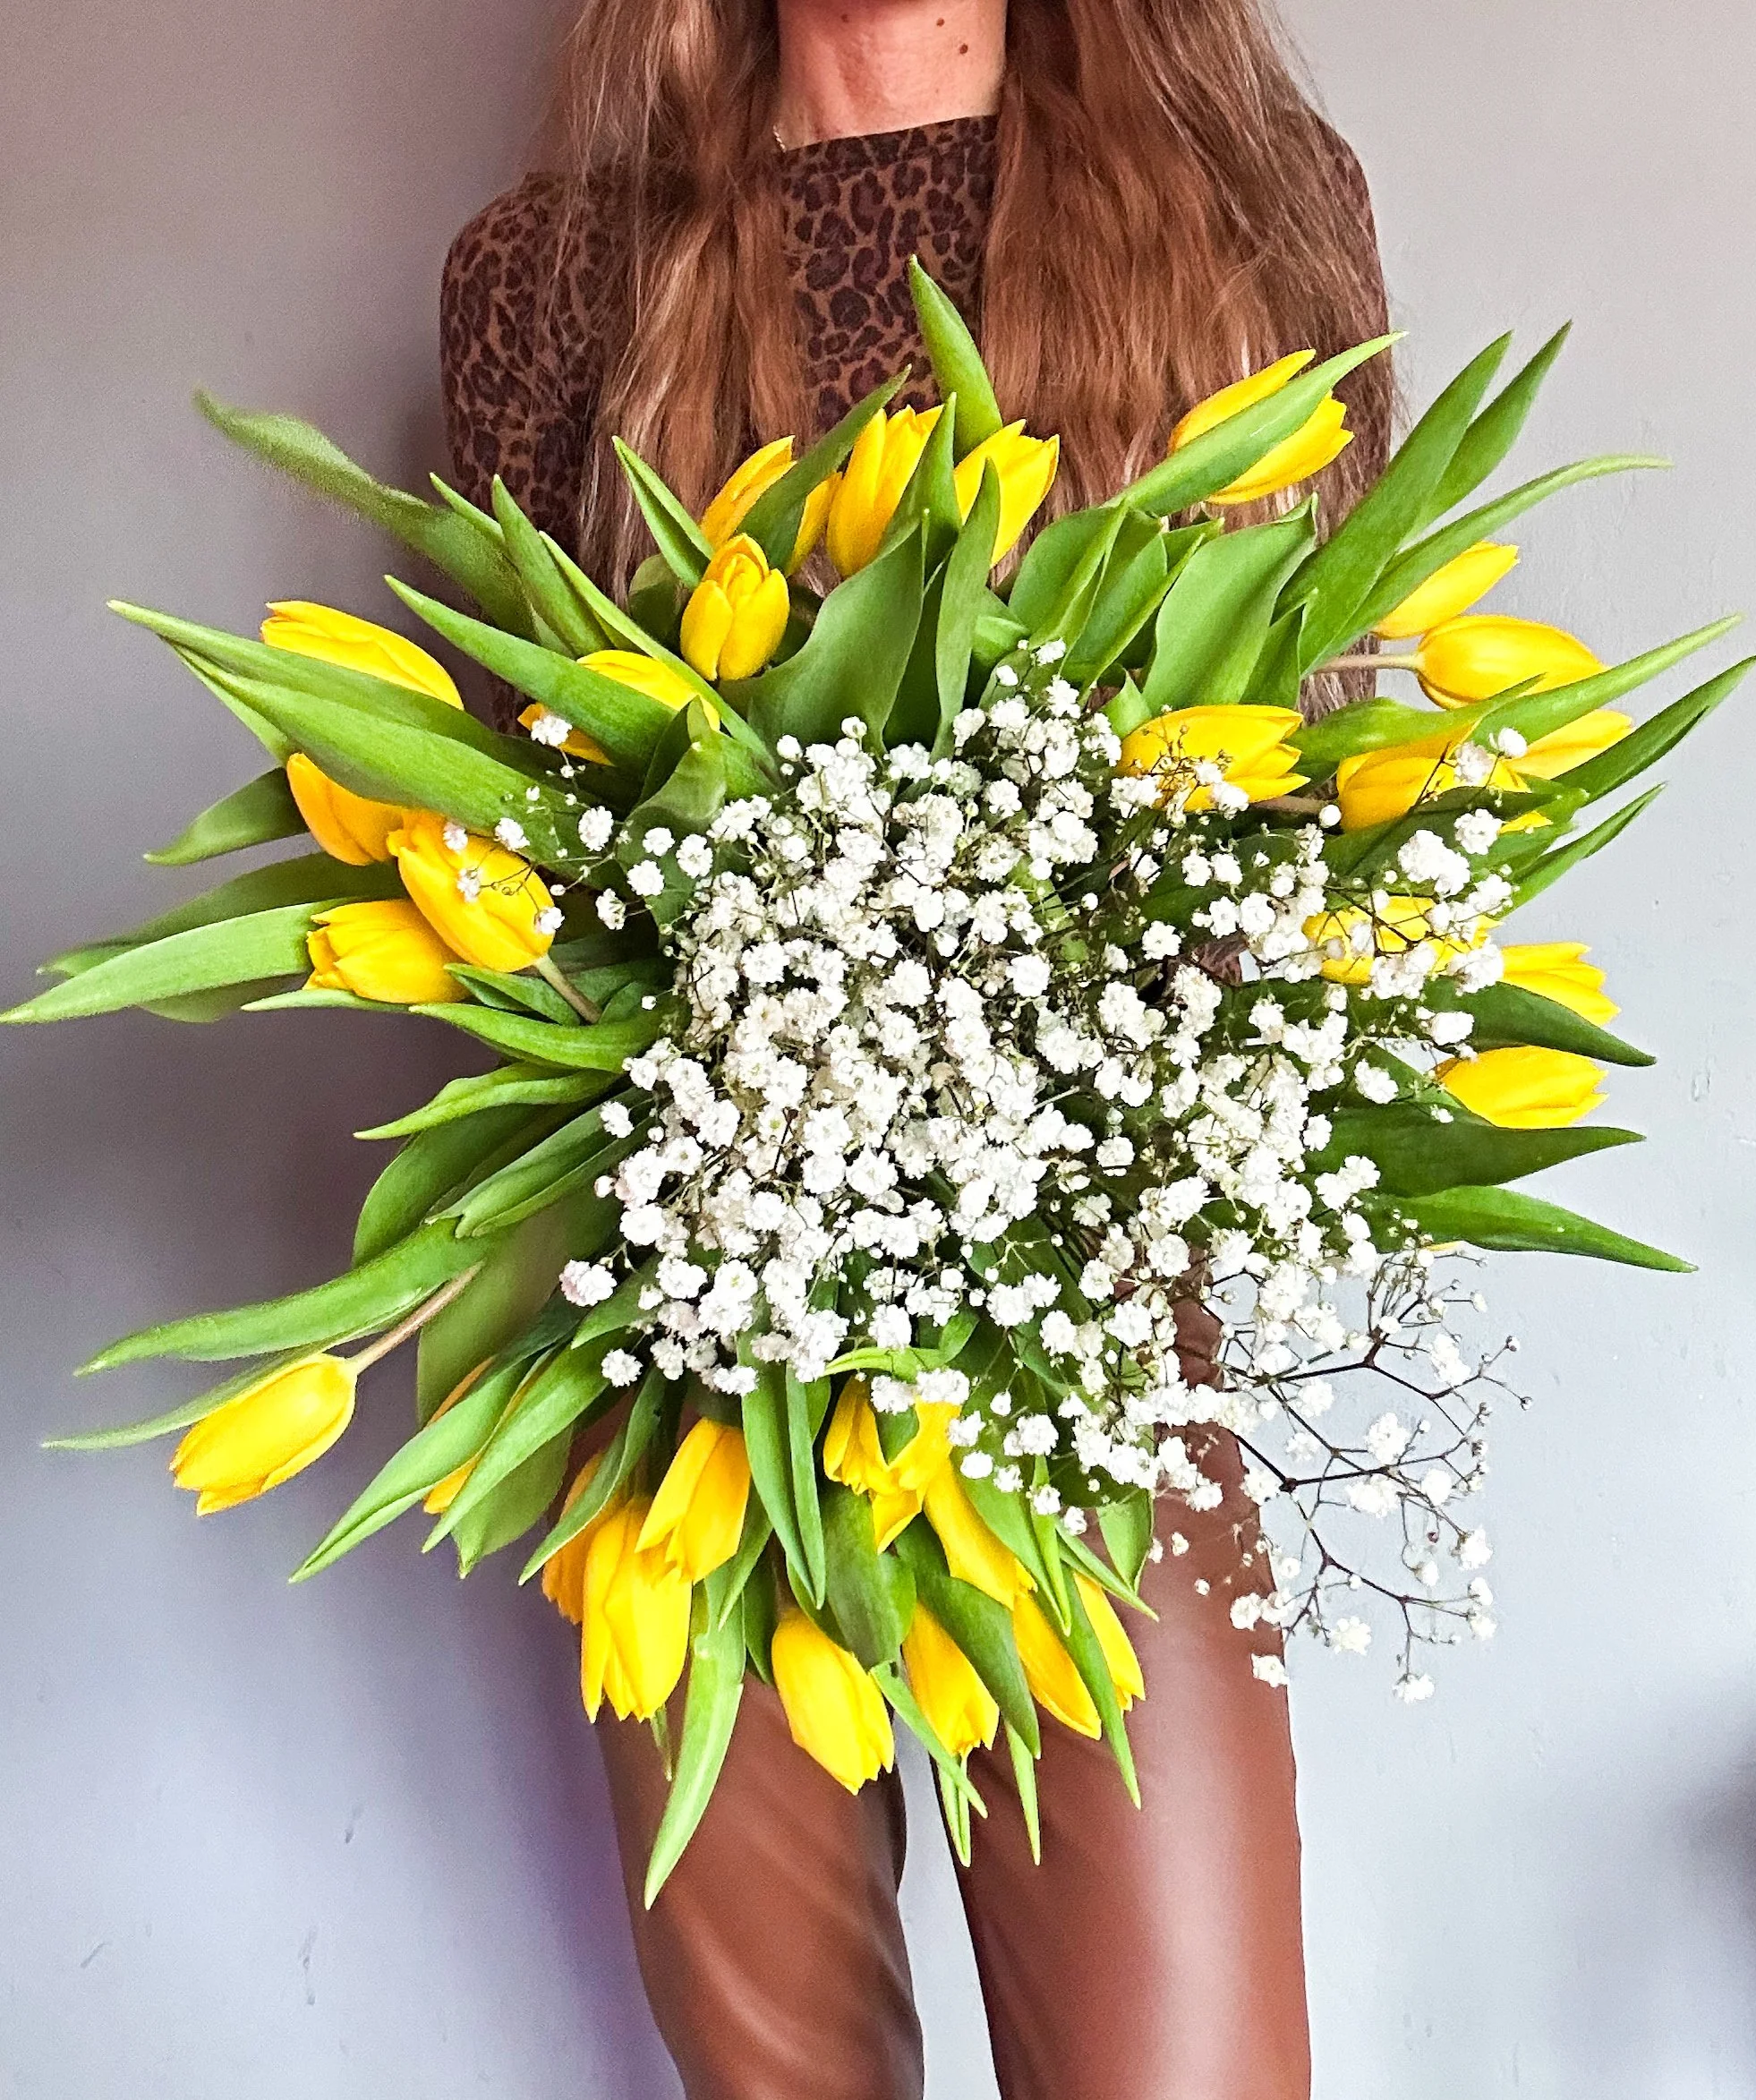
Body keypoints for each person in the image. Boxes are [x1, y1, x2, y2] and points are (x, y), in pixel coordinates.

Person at [440, 4, 1389, 2094]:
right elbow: (499, 862)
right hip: (689, 1368)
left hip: (1094, 1348)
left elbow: (1325, 780)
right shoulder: (549, 278)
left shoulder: (1253, 226)